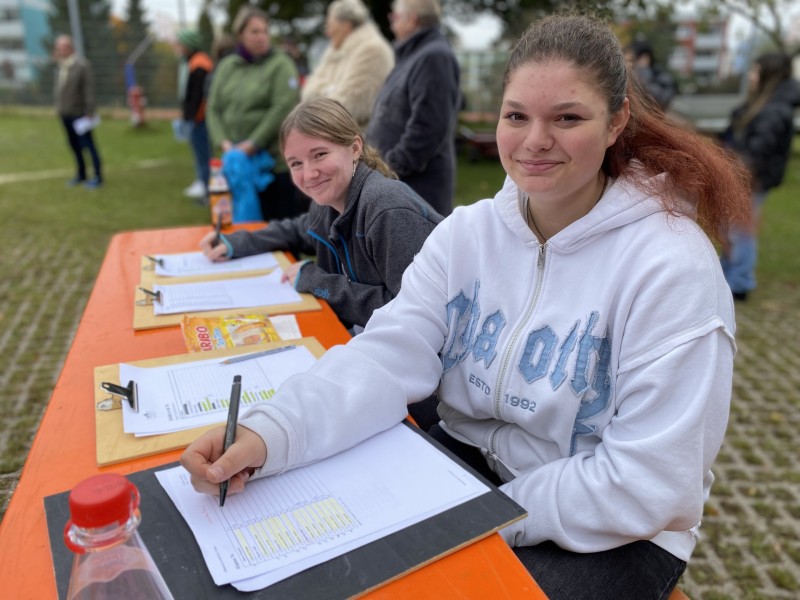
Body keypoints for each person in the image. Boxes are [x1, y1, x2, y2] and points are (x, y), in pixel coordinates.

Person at [182, 14, 750, 599]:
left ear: (616, 121)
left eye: (568, 118)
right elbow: (385, 353)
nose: (535, 141)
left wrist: (488, 516)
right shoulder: (467, 235)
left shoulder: (671, 267)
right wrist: (268, 433)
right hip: (463, 470)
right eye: (517, 116)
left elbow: (651, 482)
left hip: (612, 529)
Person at [199, 98, 442, 332]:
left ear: (355, 148)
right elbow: (297, 230)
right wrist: (235, 242)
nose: (309, 174)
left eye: (320, 155)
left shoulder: (388, 211)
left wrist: (319, 283)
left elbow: (413, 313)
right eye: (296, 164)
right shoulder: (329, 202)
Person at [206, 6, 308, 221]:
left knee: (278, 232)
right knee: (234, 227)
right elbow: (213, 108)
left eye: (265, 31)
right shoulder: (227, 66)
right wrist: (223, 142)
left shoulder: (281, 64)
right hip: (234, 162)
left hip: (273, 165)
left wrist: (253, 144)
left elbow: (282, 108)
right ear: (241, 34)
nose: (262, 37)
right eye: (255, 31)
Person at [365, 0, 460, 216]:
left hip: (417, 190)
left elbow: (429, 127)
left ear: (412, 19)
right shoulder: (414, 55)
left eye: (395, 16)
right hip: (400, 186)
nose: (390, 21)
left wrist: (388, 167)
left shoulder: (434, 56)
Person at [720, 52, 800, 301]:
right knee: (730, 228)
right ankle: (729, 275)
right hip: (742, 175)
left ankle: (740, 282)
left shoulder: (774, 110)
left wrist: (734, 163)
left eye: (755, 71)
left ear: (768, 76)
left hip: (752, 180)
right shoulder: (760, 104)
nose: (751, 76)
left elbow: (758, 150)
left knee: (741, 231)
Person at [301, 0, 394, 131]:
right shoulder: (334, 50)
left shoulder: (373, 50)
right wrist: (330, 91)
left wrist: (322, 92)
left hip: (362, 141)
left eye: (330, 23)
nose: (327, 31)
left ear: (346, 25)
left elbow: (351, 105)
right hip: (336, 136)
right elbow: (308, 92)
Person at [53, 35, 103, 188]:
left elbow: (89, 89)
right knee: (74, 146)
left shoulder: (82, 65)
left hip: (80, 114)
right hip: (65, 113)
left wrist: (89, 109)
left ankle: (97, 176)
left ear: (70, 47)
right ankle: (81, 174)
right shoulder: (62, 66)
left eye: (62, 47)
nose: (60, 51)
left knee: (89, 145)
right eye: (58, 47)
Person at [175, 29, 213, 202]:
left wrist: (194, 118)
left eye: (181, 44)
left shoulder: (200, 64)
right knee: (200, 155)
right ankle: (202, 183)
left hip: (200, 119)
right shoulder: (194, 62)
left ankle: (206, 190)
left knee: (203, 155)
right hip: (197, 119)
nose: (179, 48)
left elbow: (198, 96)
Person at [624, 38, 678, 112]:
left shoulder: (661, 78)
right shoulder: (626, 76)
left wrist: (643, 73)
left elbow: (662, 100)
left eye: (632, 60)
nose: (629, 65)